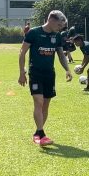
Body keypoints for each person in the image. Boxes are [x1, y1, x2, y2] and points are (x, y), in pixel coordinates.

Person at [18, 10, 73, 146]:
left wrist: (67, 69)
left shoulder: (57, 36)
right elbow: (22, 52)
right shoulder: (34, 33)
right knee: (39, 101)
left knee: (45, 105)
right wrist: (22, 72)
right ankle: (42, 134)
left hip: (49, 74)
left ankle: (38, 132)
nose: (60, 28)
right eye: (59, 25)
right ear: (52, 20)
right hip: (35, 73)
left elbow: (61, 55)